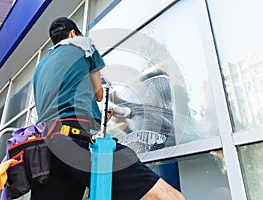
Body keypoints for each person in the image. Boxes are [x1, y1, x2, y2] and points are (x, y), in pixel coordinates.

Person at [32, 16, 185, 200]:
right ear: (73, 33)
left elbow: (58, 106)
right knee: (168, 197)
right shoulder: (83, 44)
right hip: (77, 137)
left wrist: (98, 119)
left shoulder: (39, 67)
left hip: (46, 148)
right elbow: (99, 94)